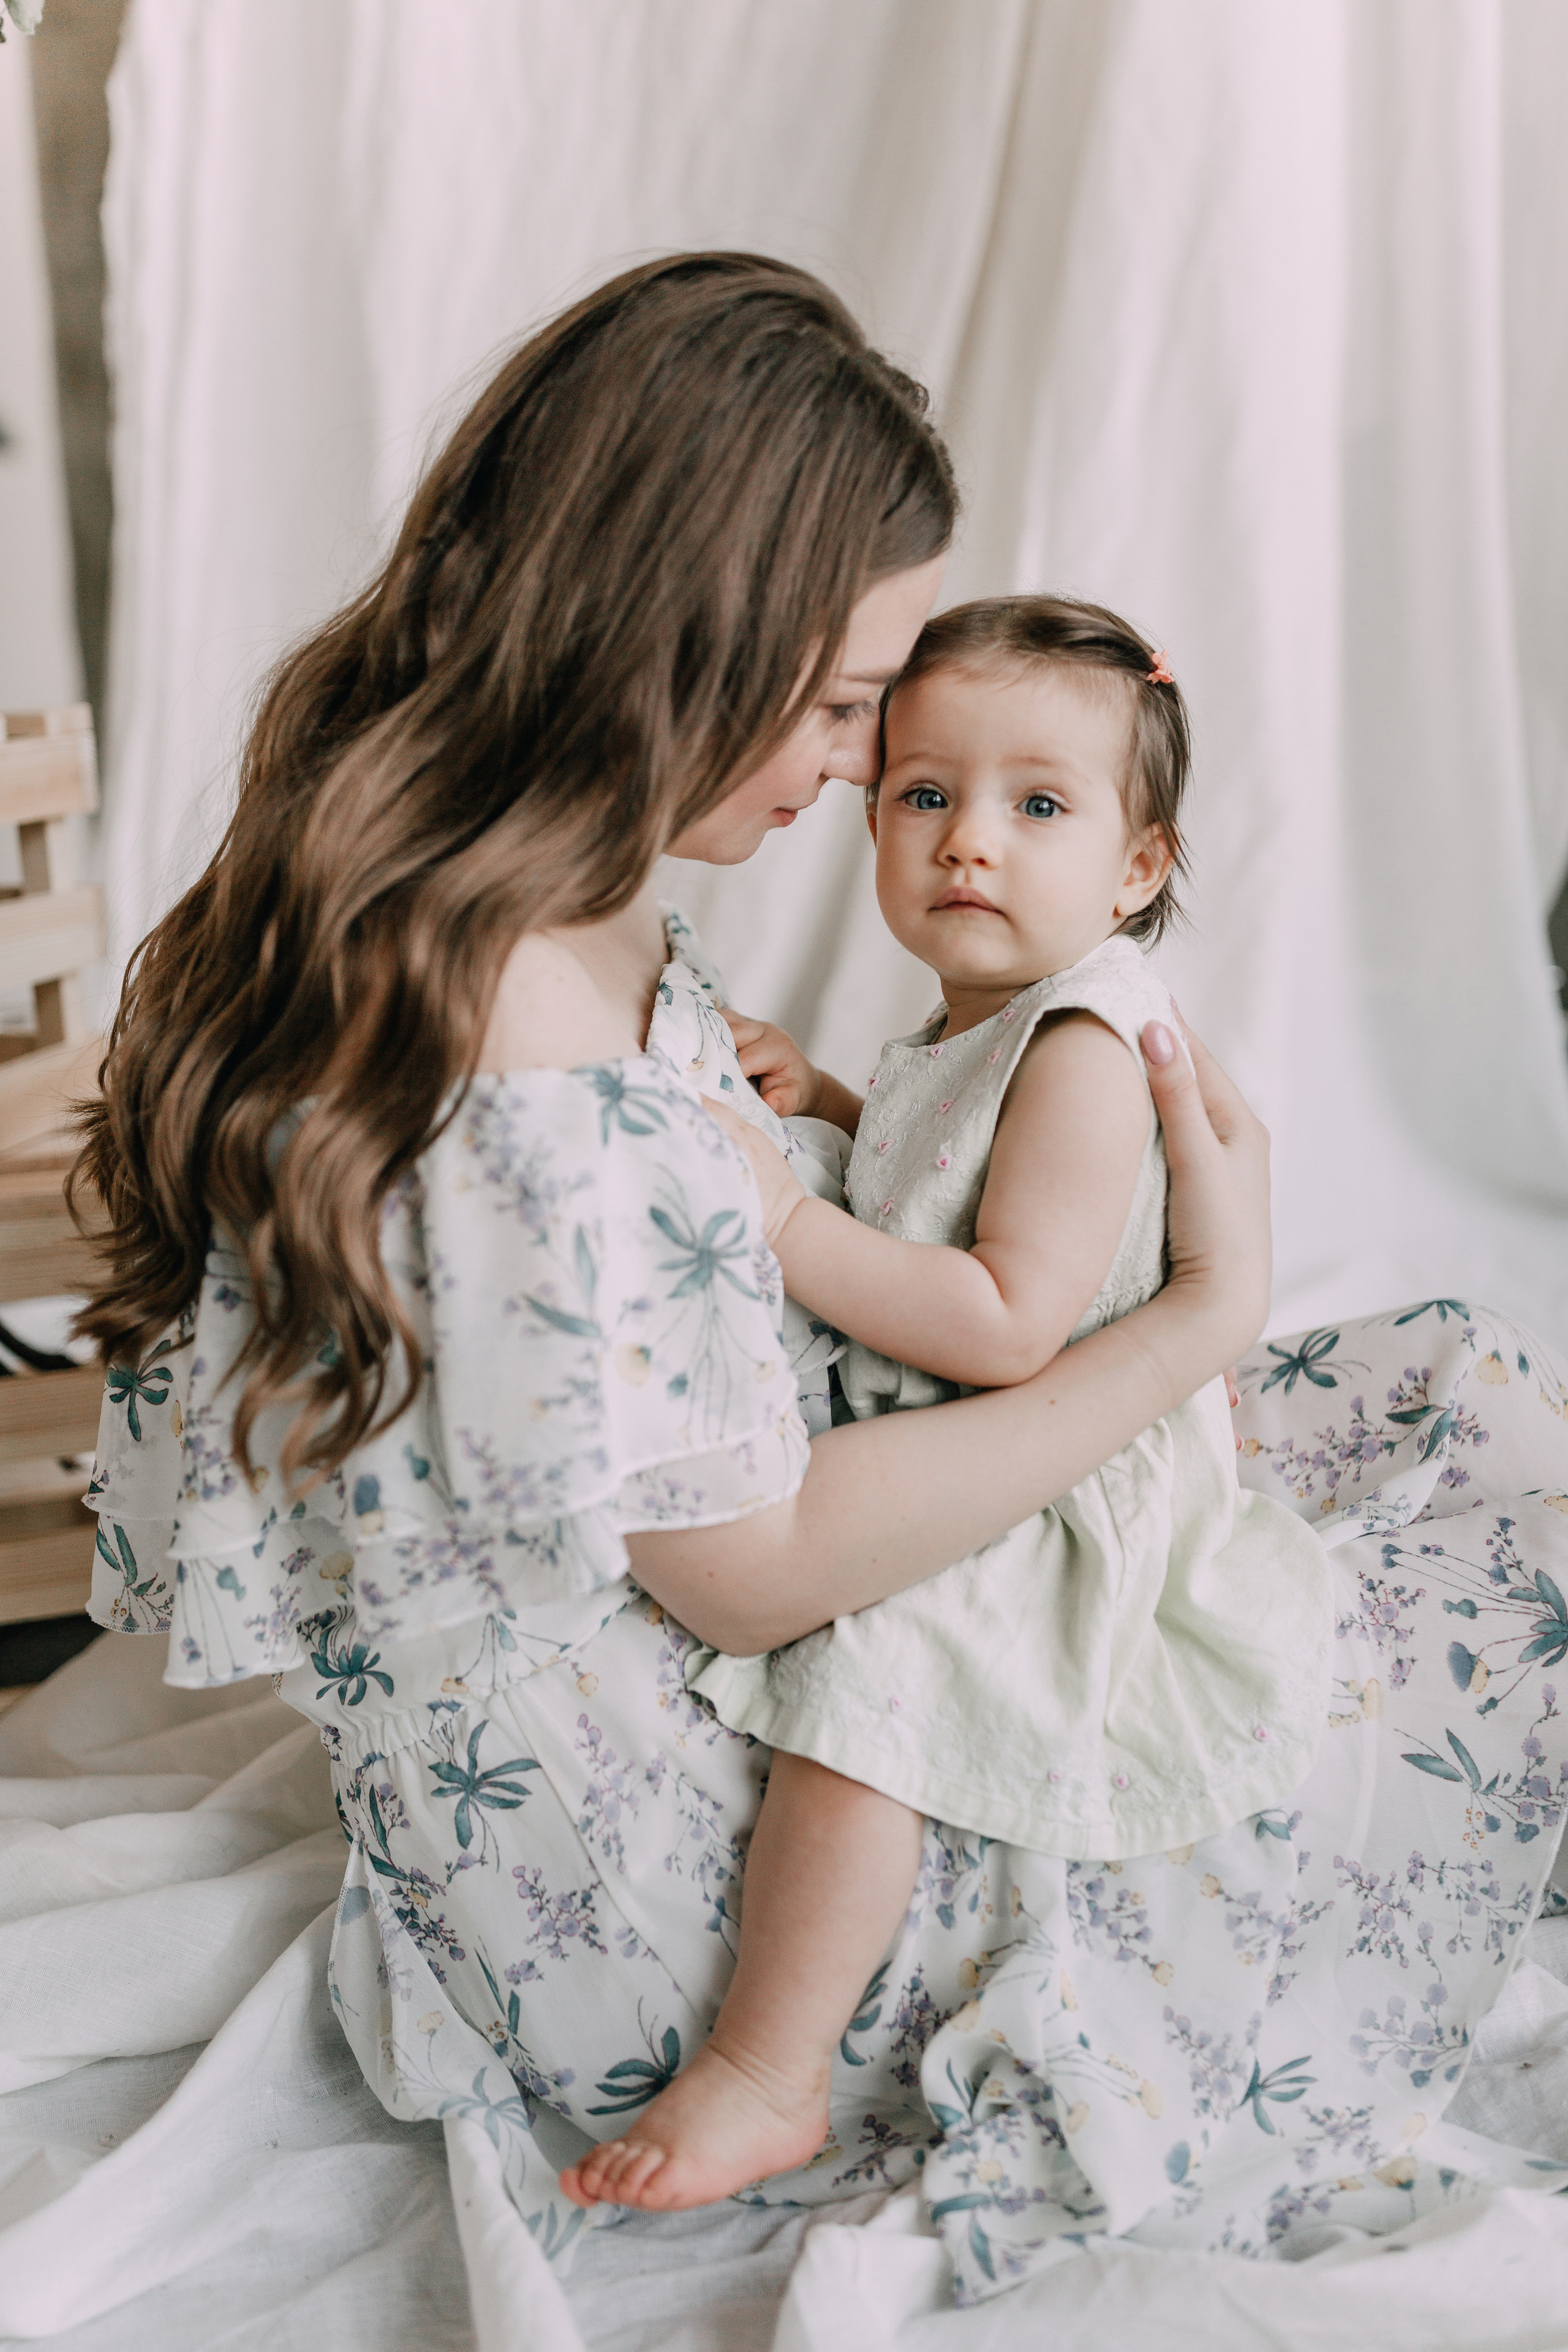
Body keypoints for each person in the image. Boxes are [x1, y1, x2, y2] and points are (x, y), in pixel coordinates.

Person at [74, 253, 1568, 2301]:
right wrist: (1193, 1324)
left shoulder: (502, 902)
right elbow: (756, 1572)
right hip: (698, 1885)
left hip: (715, 1691)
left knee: (1441, 1395)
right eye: (857, 707)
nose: (873, 774)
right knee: (1482, 1561)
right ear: (682, 629)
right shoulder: (520, 1042)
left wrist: (828, 1153)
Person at [562, 593, 1332, 2214]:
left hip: (1052, 1485)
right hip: (999, 1444)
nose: (967, 841)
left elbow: (1000, 1319)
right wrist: (839, 1106)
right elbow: (954, 1198)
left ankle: (767, 2072)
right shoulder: (984, 1024)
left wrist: (783, 1215)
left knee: (872, 1701)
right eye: (923, 792)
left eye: (1038, 806)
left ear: (1137, 867)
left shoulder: (1083, 1044)